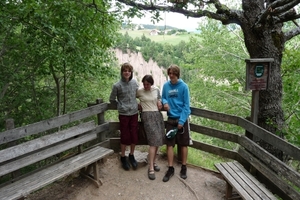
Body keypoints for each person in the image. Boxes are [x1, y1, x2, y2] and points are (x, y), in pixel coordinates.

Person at [161, 64, 191, 182]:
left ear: (177, 74)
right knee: (169, 144)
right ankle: (170, 168)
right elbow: (163, 97)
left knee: (183, 144)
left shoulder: (184, 87)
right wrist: (164, 103)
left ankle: (184, 166)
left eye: (173, 73)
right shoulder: (166, 86)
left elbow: (186, 106)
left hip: (181, 119)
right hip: (170, 119)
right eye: (169, 73)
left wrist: (182, 121)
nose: (171, 75)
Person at [109, 62, 139, 171]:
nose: (127, 72)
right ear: (122, 72)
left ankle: (131, 155)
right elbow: (112, 99)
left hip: (134, 113)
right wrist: (120, 105)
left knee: (134, 135)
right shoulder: (117, 85)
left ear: (131, 73)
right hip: (124, 114)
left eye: (128, 71)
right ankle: (123, 156)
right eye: (125, 71)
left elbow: (139, 94)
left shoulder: (135, 83)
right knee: (125, 135)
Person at [136, 75, 165, 180]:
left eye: (147, 84)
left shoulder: (156, 89)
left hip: (157, 115)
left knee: (158, 140)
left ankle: (154, 161)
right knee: (153, 142)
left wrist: (159, 101)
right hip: (147, 117)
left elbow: (160, 97)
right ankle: (151, 167)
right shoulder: (139, 91)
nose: (145, 86)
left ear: (151, 83)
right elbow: (130, 97)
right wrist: (138, 104)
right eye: (144, 84)